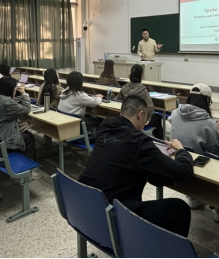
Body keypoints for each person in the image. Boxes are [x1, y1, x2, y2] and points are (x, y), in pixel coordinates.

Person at [78, 95, 194, 237]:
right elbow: (184, 171)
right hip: (116, 217)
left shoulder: (105, 127)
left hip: (86, 208)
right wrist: (181, 150)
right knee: (180, 209)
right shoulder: (139, 141)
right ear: (140, 115)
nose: (145, 124)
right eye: (146, 120)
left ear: (121, 114)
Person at [0, 77, 40, 178]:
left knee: (22, 130)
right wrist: (24, 94)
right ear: (11, 89)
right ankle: (29, 170)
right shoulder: (6, 102)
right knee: (28, 137)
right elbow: (26, 110)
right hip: (0, 139)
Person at [169, 83, 219, 156]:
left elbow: (170, 119)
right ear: (208, 100)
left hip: (175, 154)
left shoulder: (175, 113)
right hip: (194, 160)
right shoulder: (209, 124)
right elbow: (217, 152)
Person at [116, 64, 162, 138]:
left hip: (125, 118)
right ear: (141, 75)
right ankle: (159, 141)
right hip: (138, 119)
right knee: (157, 118)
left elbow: (116, 101)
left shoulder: (124, 87)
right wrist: (145, 119)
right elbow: (150, 107)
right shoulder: (143, 90)